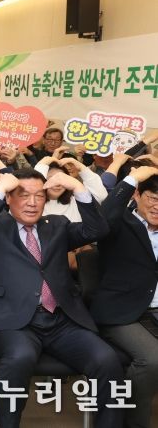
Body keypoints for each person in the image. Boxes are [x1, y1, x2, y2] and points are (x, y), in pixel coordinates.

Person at [0, 169, 124, 428]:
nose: (32, 202)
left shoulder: (56, 225)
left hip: (60, 320)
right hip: (14, 322)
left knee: (106, 360)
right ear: (8, 198)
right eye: (23, 195)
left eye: (39, 196)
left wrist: (77, 187)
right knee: (20, 357)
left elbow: (98, 229)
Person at [91, 165, 158, 428]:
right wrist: (132, 178)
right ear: (137, 195)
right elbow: (102, 219)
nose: (157, 207)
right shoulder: (120, 222)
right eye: (152, 198)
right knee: (152, 360)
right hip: (122, 313)